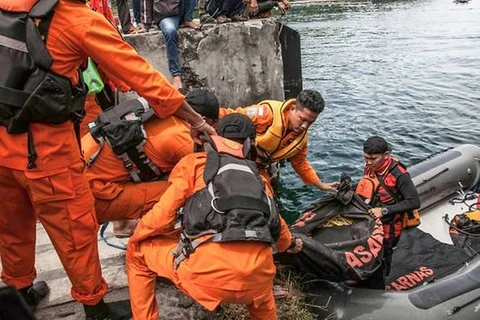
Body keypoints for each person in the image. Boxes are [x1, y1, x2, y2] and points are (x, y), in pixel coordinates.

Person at [0, 1, 215, 319]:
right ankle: (94, 307)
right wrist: (197, 121)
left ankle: (19, 292)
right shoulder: (77, 19)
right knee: (75, 229)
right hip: (47, 154)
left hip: (3, 143)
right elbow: (145, 78)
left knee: (11, 223)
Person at [126, 114, 303, 320]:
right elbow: (279, 231)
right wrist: (291, 243)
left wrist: (137, 236)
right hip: (257, 283)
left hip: (206, 278)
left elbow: (162, 216)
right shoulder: (260, 179)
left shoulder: (194, 164)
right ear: (250, 144)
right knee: (263, 297)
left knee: (137, 254)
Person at [82, 89, 220, 237]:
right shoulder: (182, 139)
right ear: (203, 119)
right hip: (91, 195)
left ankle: (127, 224)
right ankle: (157, 239)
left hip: (80, 170)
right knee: (181, 192)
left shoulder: (163, 111)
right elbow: (211, 177)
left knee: (145, 167)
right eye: (213, 124)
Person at [219, 89, 338, 195]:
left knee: (267, 199)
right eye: (302, 119)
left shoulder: (301, 140)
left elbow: (300, 163)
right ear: (292, 109)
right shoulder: (266, 114)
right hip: (235, 160)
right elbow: (231, 116)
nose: (305, 126)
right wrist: (203, 121)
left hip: (259, 169)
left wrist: (321, 185)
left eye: (311, 122)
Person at [355, 136, 421, 289]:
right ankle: (363, 278)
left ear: (386, 155)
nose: (368, 162)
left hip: (390, 224)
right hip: (371, 220)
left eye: (373, 159)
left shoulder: (399, 175)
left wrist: (384, 210)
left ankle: (378, 286)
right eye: (366, 158)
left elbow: (414, 202)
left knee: (382, 256)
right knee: (367, 251)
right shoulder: (370, 167)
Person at [155, 0, 200, 90]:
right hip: (166, 15)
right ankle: (176, 76)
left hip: (182, 12)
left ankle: (188, 18)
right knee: (170, 32)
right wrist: (145, 25)